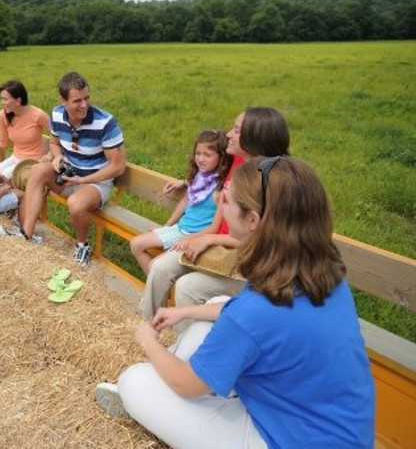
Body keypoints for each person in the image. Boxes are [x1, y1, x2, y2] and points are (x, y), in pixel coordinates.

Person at [95, 157, 375, 449]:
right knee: (217, 302)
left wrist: (147, 341)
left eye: (227, 200)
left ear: (253, 219)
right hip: (333, 429)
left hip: (281, 439)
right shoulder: (323, 271)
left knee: (134, 381)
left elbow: (188, 384)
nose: (221, 203)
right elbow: (240, 314)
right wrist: (185, 311)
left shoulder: (257, 309)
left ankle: (162, 385)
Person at [139, 106, 290, 319]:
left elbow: (261, 241)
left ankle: (185, 347)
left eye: (236, 130)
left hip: (246, 261)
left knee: (187, 286)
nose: (228, 134)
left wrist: (207, 238)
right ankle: (150, 324)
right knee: (160, 268)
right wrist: (186, 184)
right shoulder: (237, 162)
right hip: (217, 243)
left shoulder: (271, 183)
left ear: (254, 138)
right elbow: (212, 185)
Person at [0, 71, 126, 266]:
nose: (84, 105)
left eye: (86, 98)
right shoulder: (57, 114)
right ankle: (26, 233)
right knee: (37, 170)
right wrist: (57, 157)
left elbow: (118, 167)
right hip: (68, 174)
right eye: (77, 101)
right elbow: (55, 144)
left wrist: (82, 180)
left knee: (75, 203)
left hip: (96, 182)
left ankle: (82, 246)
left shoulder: (105, 122)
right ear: (63, 100)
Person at [129, 129, 231, 275]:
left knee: (155, 266)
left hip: (197, 237)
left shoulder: (219, 190)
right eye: (198, 153)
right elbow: (185, 201)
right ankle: (160, 288)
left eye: (207, 155)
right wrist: (166, 226)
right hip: (179, 229)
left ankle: (160, 291)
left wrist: (189, 238)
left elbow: (214, 228)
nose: (200, 159)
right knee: (136, 244)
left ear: (221, 158)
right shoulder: (198, 178)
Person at [0, 80, 50, 179]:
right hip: (16, 157)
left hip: (34, 160)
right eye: (1, 99)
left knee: (5, 175)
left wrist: (50, 155)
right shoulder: (2, 115)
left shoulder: (38, 115)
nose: (2, 103)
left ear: (18, 101)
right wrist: (1, 162)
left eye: (5, 99)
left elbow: (57, 135)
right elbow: (2, 142)